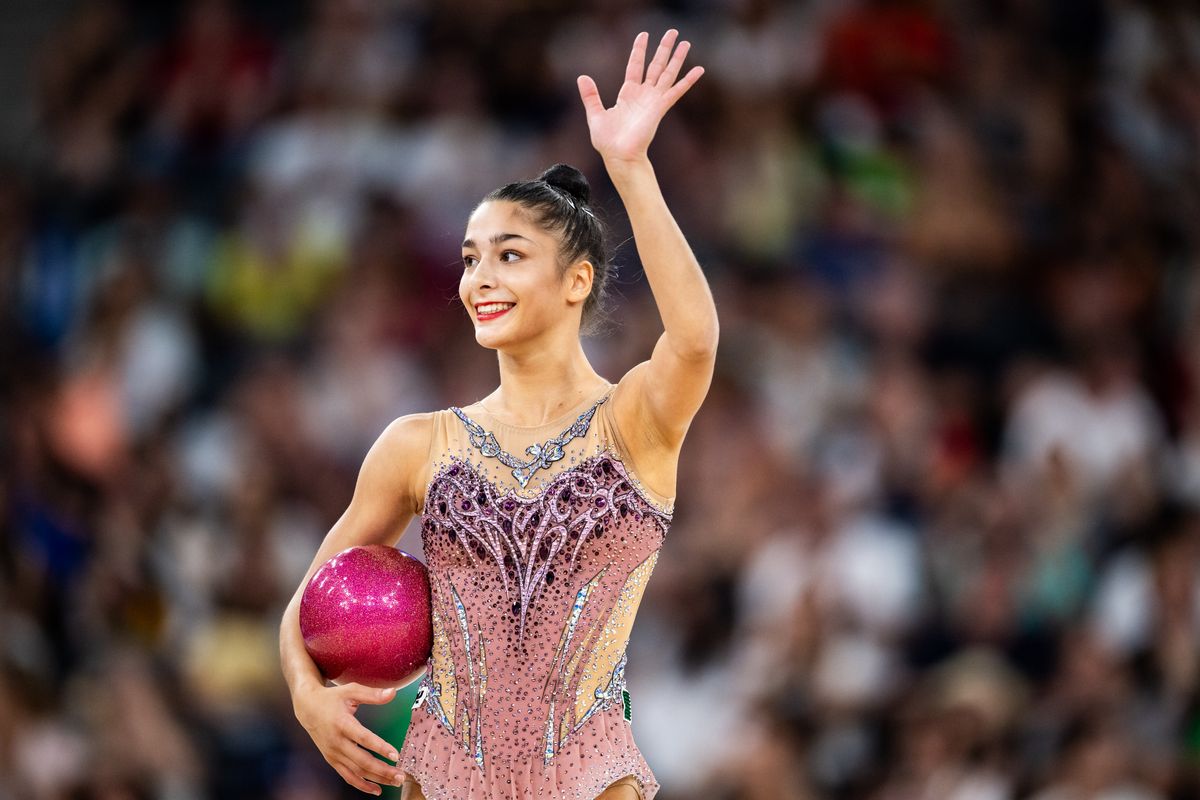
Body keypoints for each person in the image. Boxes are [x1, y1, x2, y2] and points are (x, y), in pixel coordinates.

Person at [280, 29, 717, 800]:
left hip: (593, 783)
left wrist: (630, 169)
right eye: (471, 257)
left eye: (509, 254)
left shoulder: (632, 422)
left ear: (577, 280)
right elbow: (308, 601)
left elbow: (694, 341)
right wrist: (308, 699)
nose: (480, 275)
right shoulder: (419, 444)